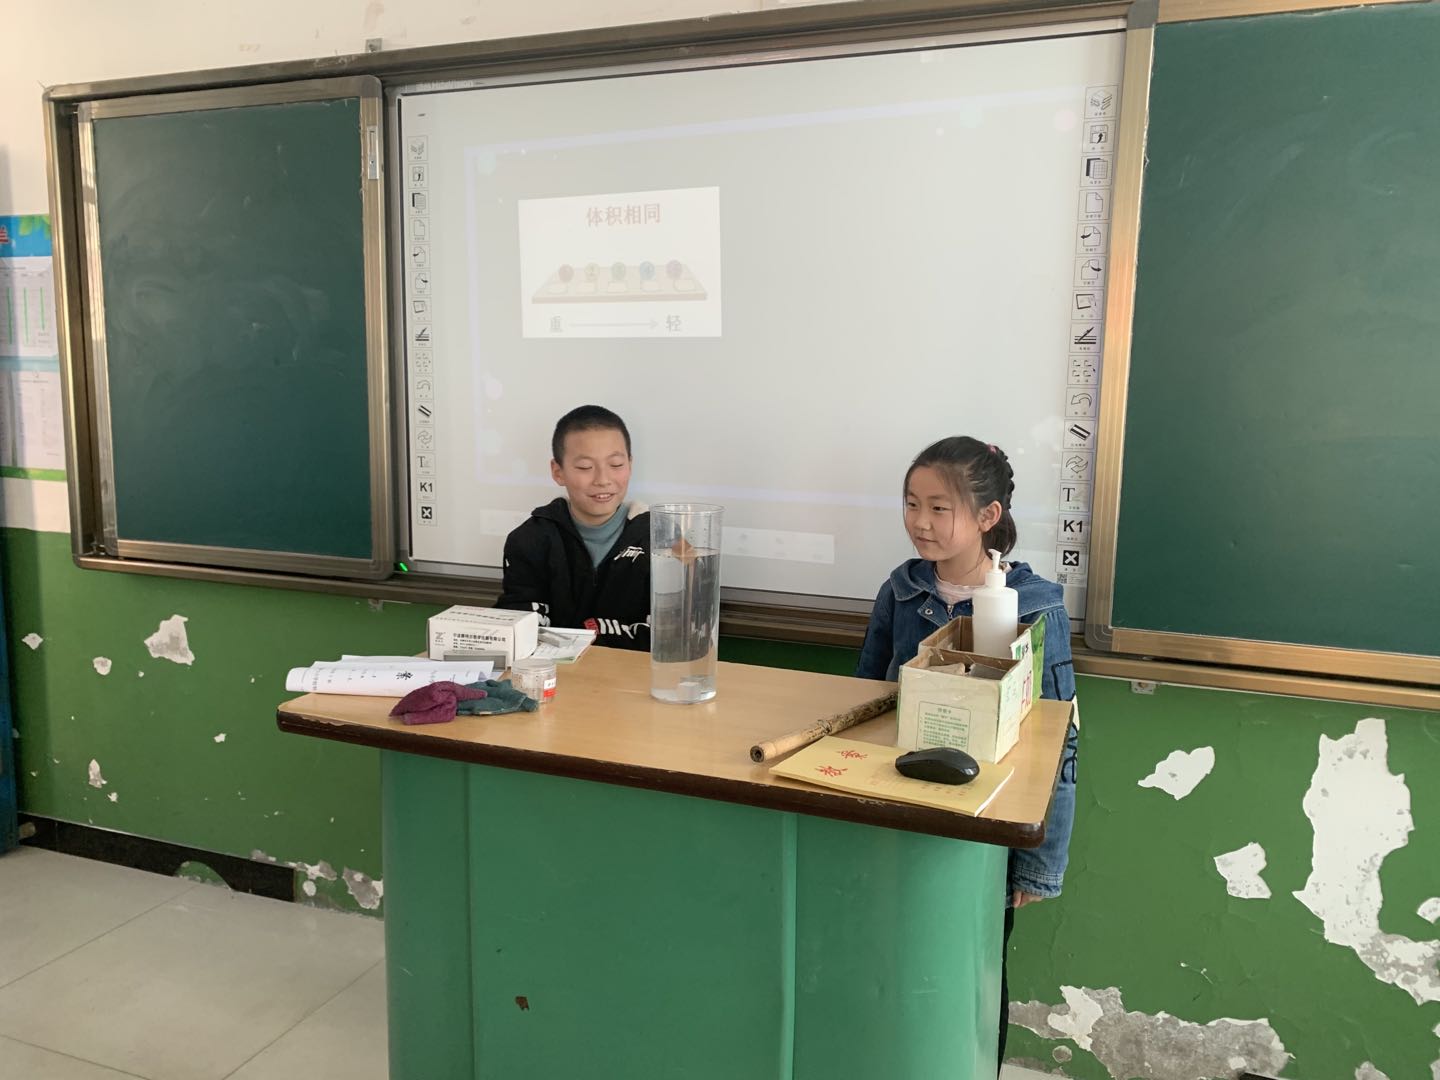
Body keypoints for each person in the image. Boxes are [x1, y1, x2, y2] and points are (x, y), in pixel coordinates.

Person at [855, 435, 1078, 1067]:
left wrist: (1039, 863)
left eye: (939, 508)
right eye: (911, 504)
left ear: (988, 516)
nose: (920, 522)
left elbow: (1058, 742)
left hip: (985, 823)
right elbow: (865, 699)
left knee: (972, 972)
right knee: (897, 963)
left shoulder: (1034, 607)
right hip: (900, 806)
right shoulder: (901, 591)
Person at [497, 405, 650, 650]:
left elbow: (672, 633)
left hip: (633, 672)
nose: (603, 480)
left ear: (630, 465)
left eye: (616, 464)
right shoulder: (530, 539)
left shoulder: (661, 539)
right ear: (558, 472)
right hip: (554, 671)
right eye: (585, 468)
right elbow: (519, 622)